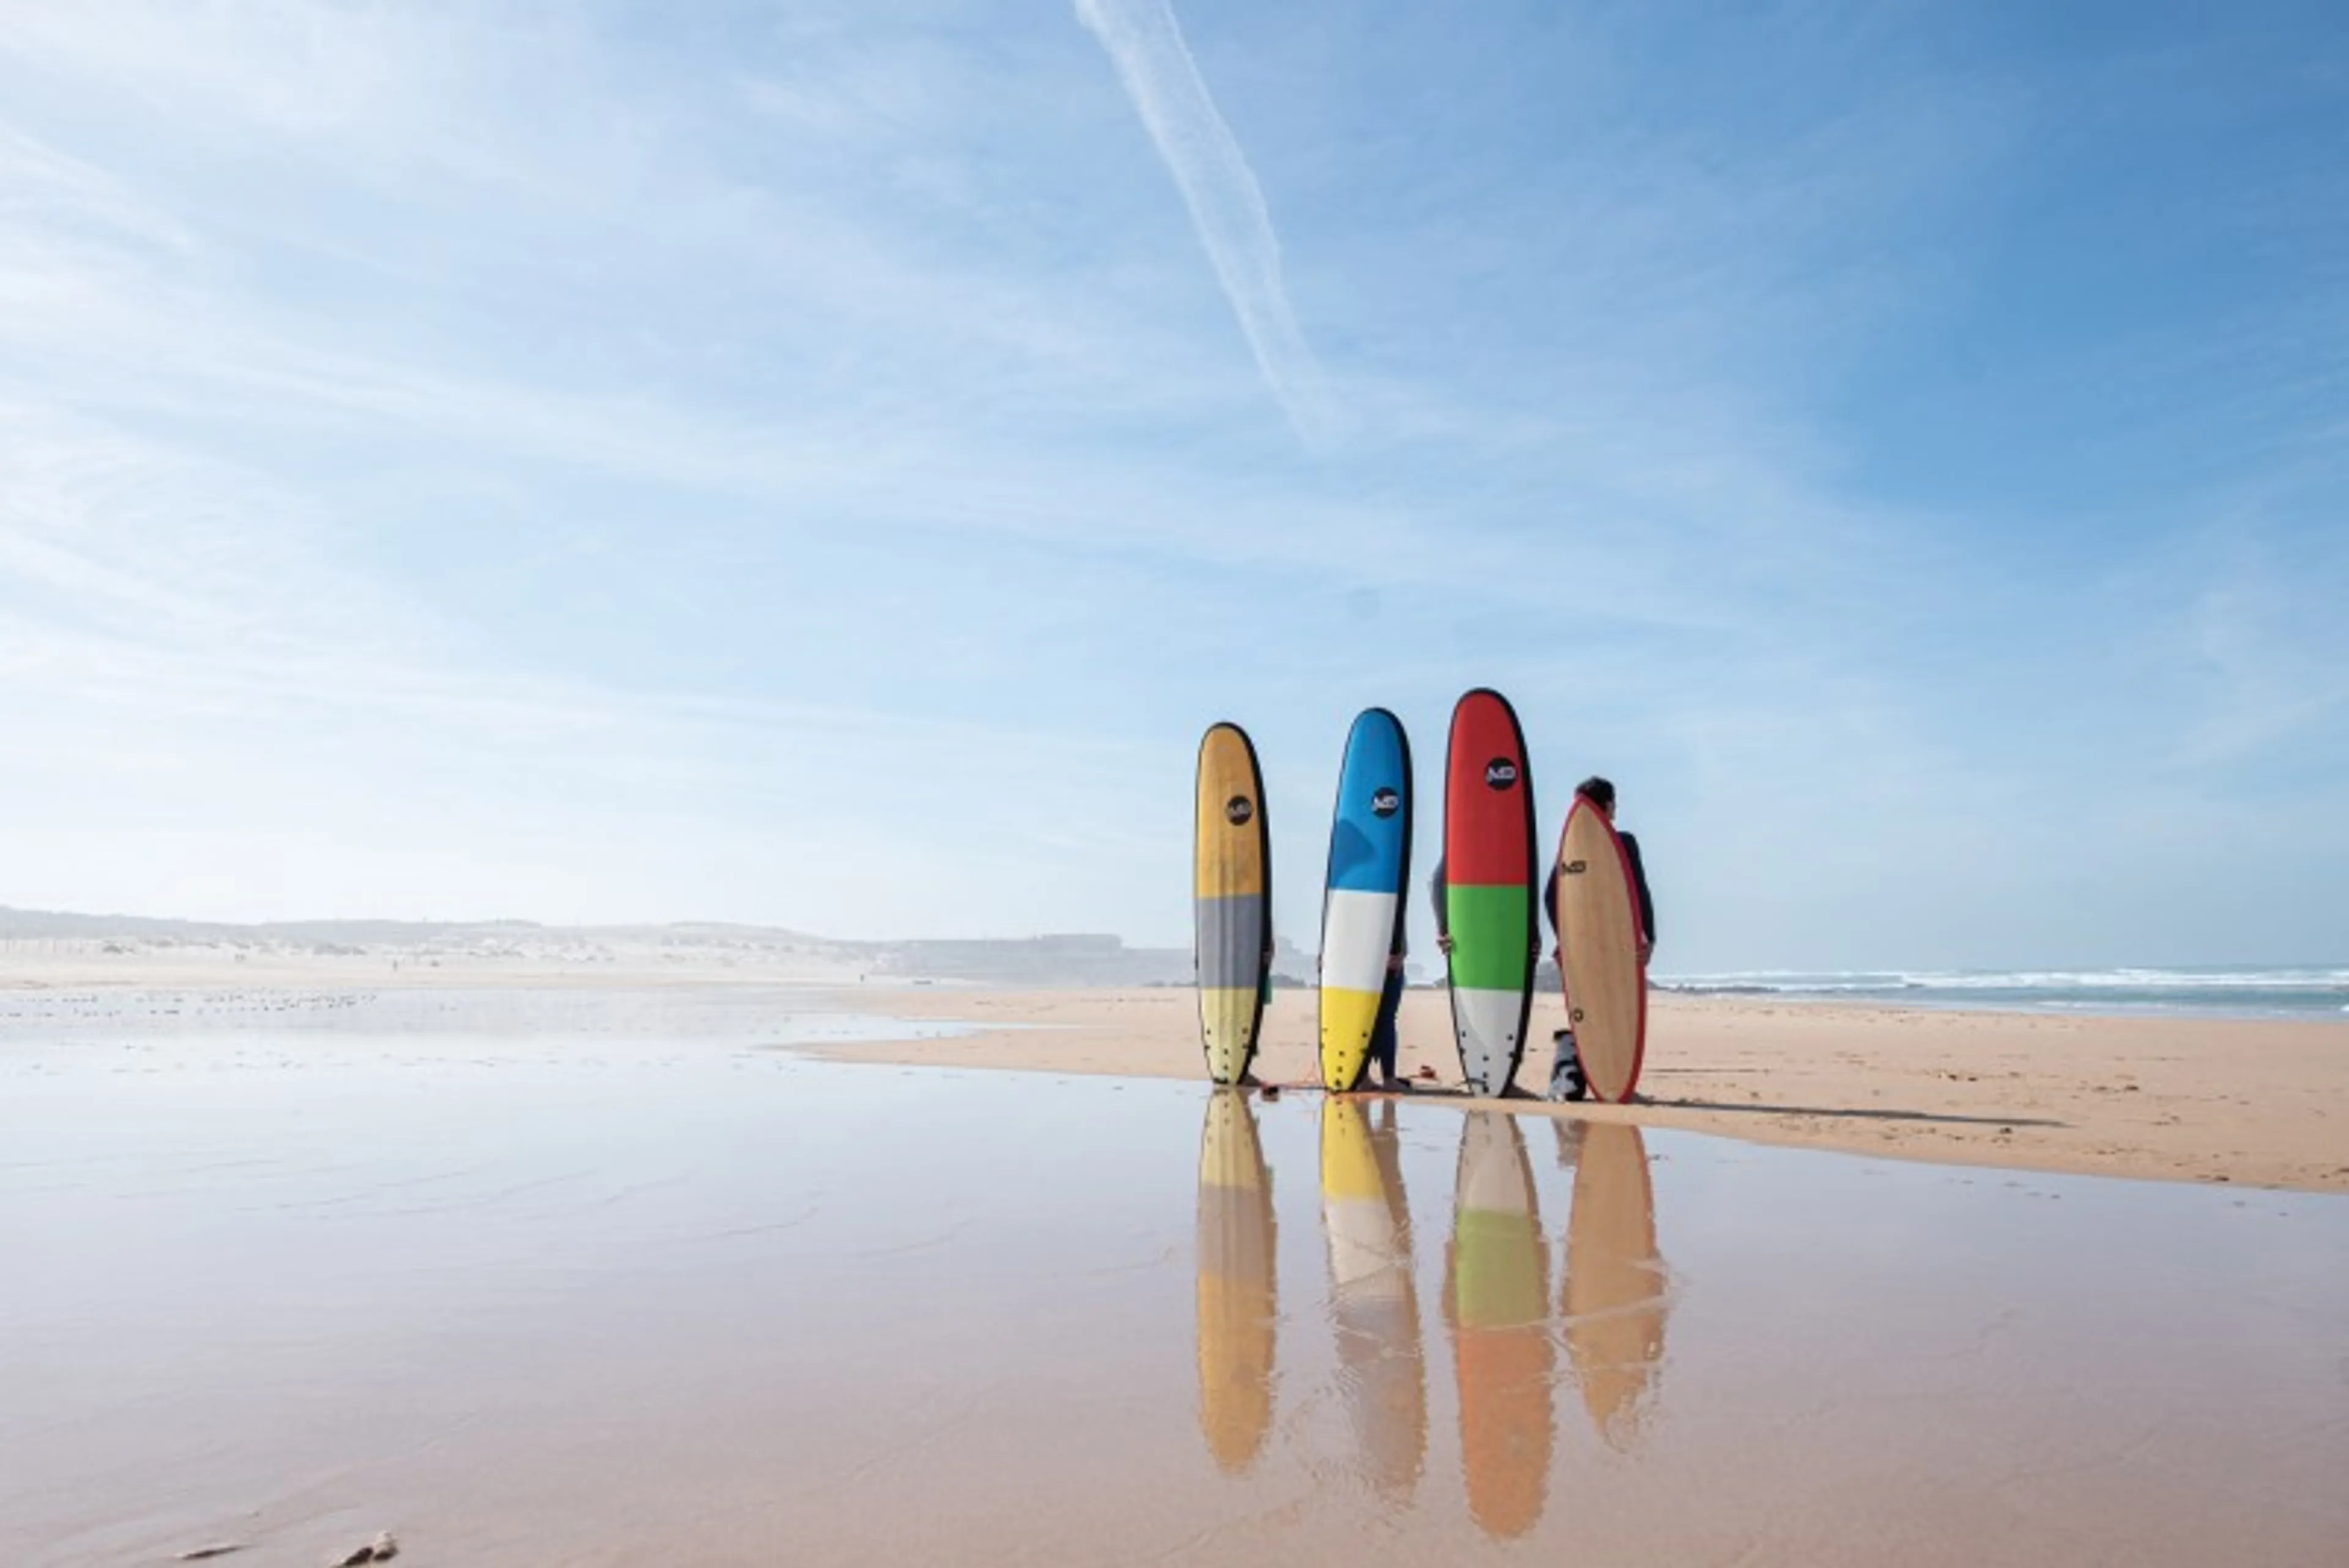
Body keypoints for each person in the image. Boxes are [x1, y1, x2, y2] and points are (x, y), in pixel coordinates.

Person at [1546, 776, 1655, 1101]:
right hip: (1620, 949)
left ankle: (1589, 1078)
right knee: (1617, 1012)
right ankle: (1617, 1085)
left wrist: (1565, 940)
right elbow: (1640, 893)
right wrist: (1649, 938)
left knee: (1593, 1012)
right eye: (1614, 804)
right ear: (1607, 806)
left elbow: (1551, 896)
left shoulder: (1571, 850)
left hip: (1583, 951)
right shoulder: (1625, 843)